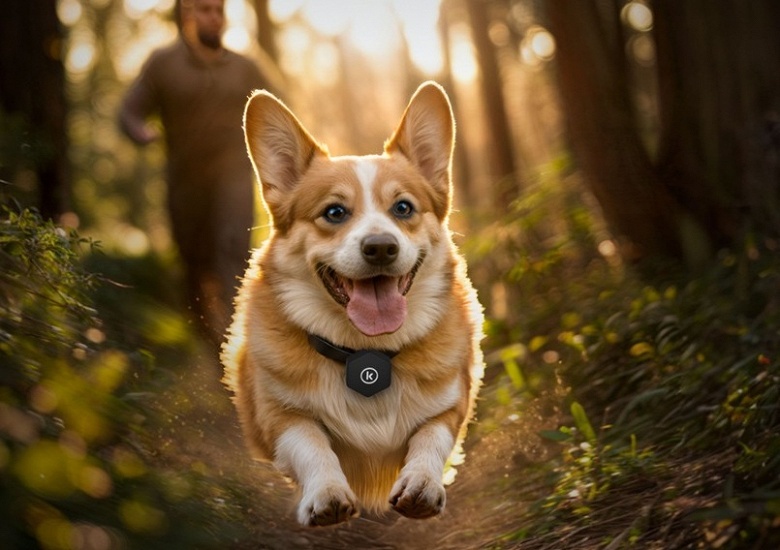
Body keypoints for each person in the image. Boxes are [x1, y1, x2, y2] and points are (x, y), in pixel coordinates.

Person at [119, 0, 271, 346]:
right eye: (205, 10)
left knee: (233, 249)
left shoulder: (244, 67)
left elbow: (277, 110)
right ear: (187, 14)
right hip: (185, 184)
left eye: (219, 10)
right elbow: (128, 111)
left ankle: (240, 341)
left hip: (232, 175)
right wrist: (139, 130)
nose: (215, 18)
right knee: (195, 264)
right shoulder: (163, 65)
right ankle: (207, 340)